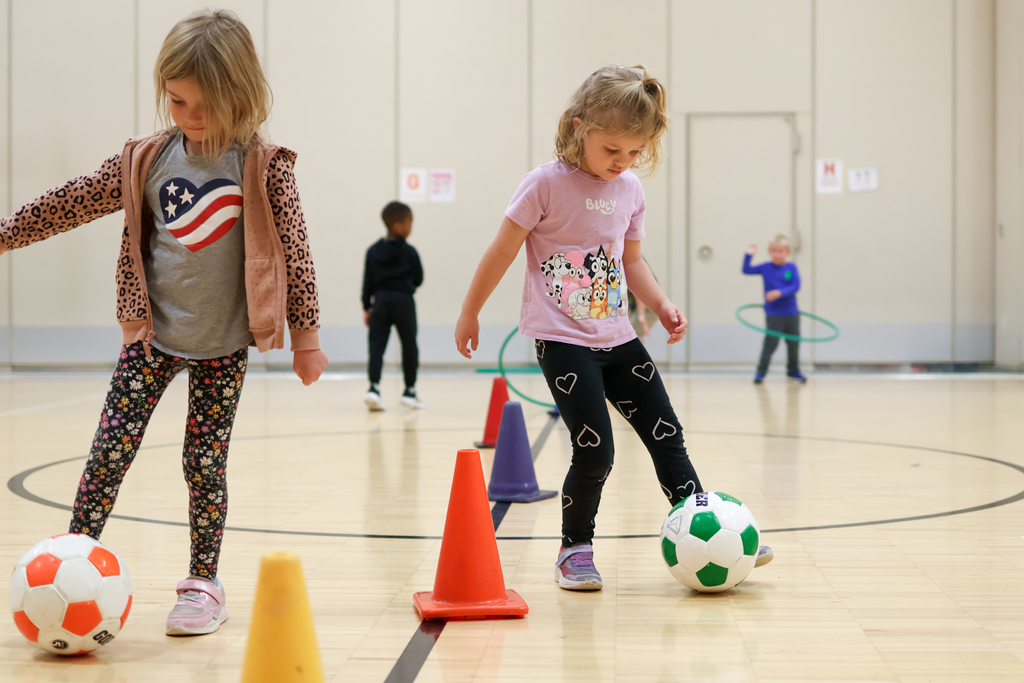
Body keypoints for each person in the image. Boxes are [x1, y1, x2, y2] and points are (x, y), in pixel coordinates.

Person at [0, 9, 328, 636]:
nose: (191, 116)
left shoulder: (263, 164)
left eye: (207, 104)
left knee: (203, 464)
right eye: (178, 101)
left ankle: (203, 581)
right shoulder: (146, 160)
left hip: (223, 345)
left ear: (243, 94)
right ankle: (74, 558)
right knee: (107, 453)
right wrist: (9, 234)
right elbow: (75, 199)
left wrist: (306, 337)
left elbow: (296, 250)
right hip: (152, 339)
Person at [455, 64, 773, 591]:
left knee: (667, 437)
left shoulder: (629, 191)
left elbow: (632, 263)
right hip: (562, 341)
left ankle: (716, 532)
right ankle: (574, 549)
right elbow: (501, 251)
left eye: (634, 153)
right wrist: (471, 311)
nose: (623, 163)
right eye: (613, 151)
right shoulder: (543, 185)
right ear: (580, 126)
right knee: (595, 448)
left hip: (619, 337)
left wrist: (662, 302)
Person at [362, 201, 425, 410]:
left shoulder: (372, 251)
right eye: (409, 223)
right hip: (404, 302)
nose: (410, 227)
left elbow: (367, 282)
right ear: (398, 225)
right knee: (409, 345)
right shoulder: (410, 252)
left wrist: (366, 307)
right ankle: (410, 391)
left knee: (377, 346)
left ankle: (374, 388)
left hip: (379, 302)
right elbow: (419, 278)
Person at [743, 235, 806, 384]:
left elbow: (795, 286)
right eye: (774, 251)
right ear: (769, 252)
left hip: (791, 313)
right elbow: (746, 270)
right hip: (774, 314)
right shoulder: (765, 267)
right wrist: (749, 254)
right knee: (770, 345)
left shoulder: (791, 268)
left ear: (787, 252)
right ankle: (761, 373)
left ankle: (793, 371)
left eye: (780, 251)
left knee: (793, 344)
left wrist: (779, 292)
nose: (777, 254)